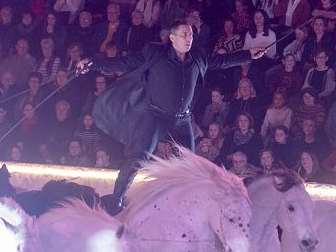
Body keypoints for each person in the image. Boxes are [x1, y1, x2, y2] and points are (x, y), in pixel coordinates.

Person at [79, 20, 266, 213]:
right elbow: (124, 63)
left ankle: (181, 205)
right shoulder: (155, 53)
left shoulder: (198, 57)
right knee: (138, 158)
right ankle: (115, 201)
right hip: (156, 116)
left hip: (182, 120)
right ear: (172, 38)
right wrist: (93, 64)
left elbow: (222, 61)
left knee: (188, 164)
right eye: (184, 35)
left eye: (191, 35)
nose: (189, 38)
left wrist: (248, 55)